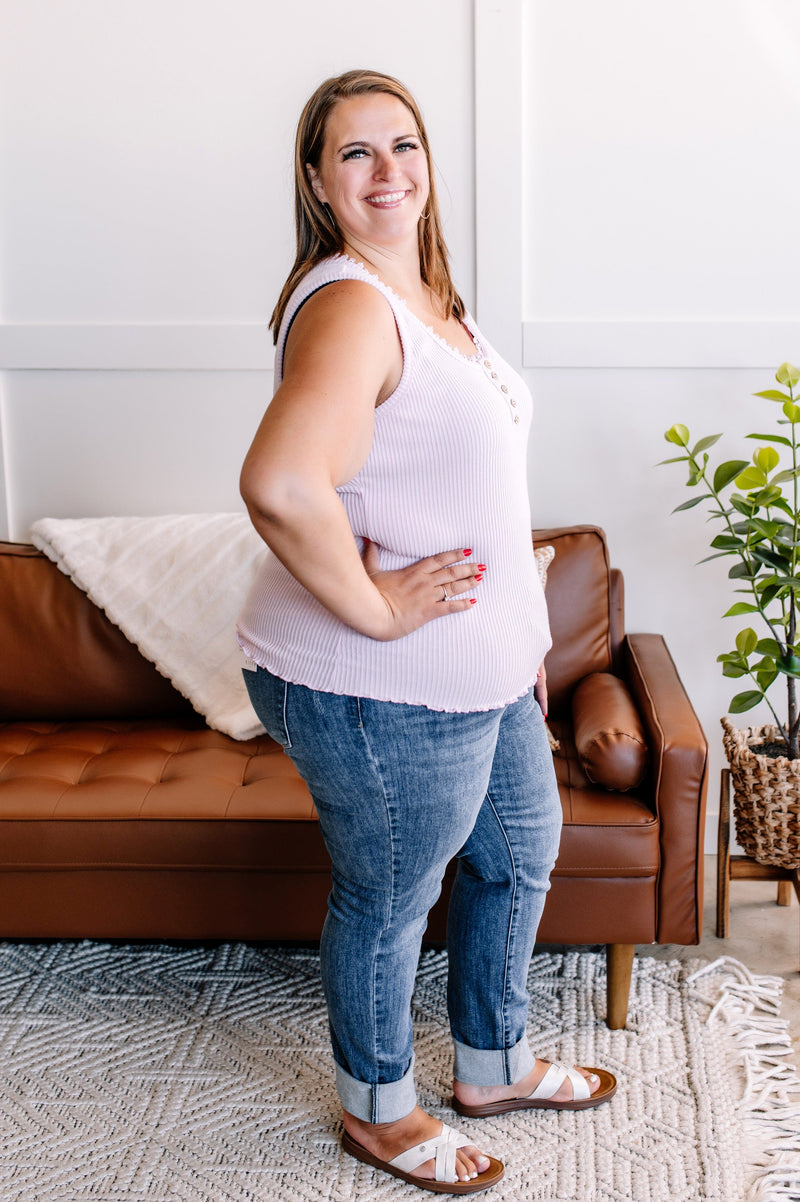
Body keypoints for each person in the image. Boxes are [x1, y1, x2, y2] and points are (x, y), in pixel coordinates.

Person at [237, 68, 616, 1195]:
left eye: (402, 145)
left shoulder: (431, 301)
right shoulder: (351, 303)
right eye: (354, 153)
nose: (386, 170)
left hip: (480, 671)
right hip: (380, 681)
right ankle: (377, 1108)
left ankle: (492, 1063)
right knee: (393, 895)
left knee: (516, 851)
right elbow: (279, 482)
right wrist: (377, 604)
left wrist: (522, 644)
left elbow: (469, 492)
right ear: (316, 180)